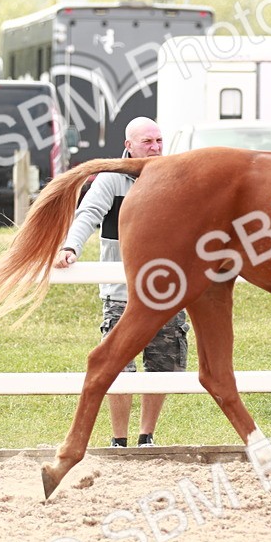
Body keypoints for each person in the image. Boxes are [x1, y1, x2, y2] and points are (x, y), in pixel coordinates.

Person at [54, 116, 189, 447]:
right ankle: (119, 441)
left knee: (164, 368)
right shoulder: (111, 179)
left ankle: (146, 438)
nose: (155, 147)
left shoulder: (176, 176)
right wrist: (71, 246)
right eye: (147, 142)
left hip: (167, 293)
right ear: (128, 146)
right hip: (120, 295)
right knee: (118, 369)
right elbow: (88, 214)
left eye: (158, 140)